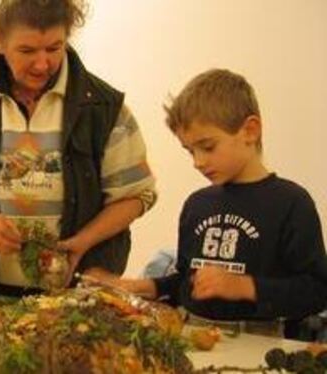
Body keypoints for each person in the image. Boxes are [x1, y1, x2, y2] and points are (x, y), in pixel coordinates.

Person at [0, 0, 156, 296]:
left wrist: (84, 240)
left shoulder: (104, 108)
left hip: (82, 290)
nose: (43, 63)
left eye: (54, 48)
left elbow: (136, 196)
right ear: (0, 43)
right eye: (27, 51)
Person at [112, 69, 327, 335]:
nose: (197, 161)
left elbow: (317, 290)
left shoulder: (292, 203)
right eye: (190, 150)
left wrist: (245, 286)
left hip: (262, 341)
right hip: (196, 334)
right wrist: (147, 287)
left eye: (208, 147)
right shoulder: (197, 204)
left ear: (250, 131)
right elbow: (188, 283)